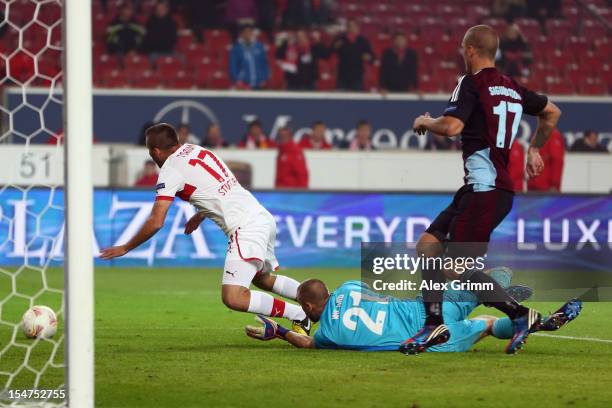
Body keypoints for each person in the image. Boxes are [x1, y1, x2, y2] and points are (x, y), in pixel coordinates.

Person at [409, 25, 562, 354]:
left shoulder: (470, 82)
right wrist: (535, 148)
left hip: (485, 190)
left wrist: (425, 121)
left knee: (454, 269)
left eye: (462, 49)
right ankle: (434, 324)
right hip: (482, 189)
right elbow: (551, 112)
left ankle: (519, 315)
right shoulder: (512, 88)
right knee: (428, 246)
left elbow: (451, 126)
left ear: (470, 50)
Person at [100, 123, 311, 335]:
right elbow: (219, 185)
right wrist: (201, 214)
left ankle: (299, 314)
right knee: (261, 278)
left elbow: (156, 221)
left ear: (155, 151)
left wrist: (126, 247)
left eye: (149, 151)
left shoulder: (170, 169)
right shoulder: (196, 149)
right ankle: (323, 301)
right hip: (260, 216)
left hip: (245, 227)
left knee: (233, 296)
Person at [245, 277, 582, 351]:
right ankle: (513, 301)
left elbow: (307, 345)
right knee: (485, 283)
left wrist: (279, 331)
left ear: (307, 308)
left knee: (487, 327)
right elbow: (376, 296)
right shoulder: (347, 287)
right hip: (430, 309)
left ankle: (533, 323)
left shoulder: (327, 335)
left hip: (429, 341)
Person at [333, 20, 374, 91]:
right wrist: (334, 47)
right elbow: (329, 53)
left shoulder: (363, 41)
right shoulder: (340, 39)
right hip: (342, 75)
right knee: (340, 99)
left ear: (358, 28)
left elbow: (372, 57)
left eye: (353, 26)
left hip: (357, 76)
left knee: (358, 99)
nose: (351, 28)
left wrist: (369, 57)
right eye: (349, 26)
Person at [229, 24, 270, 89]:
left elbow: (265, 64)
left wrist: (264, 78)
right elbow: (233, 66)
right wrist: (237, 80)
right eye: (245, 32)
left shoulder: (259, 47)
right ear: (241, 34)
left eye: (250, 32)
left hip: (259, 83)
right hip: (243, 84)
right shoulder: (236, 49)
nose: (248, 34)